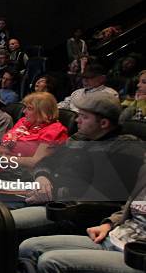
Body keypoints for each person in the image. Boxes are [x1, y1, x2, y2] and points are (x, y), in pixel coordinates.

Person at [11, 93, 144, 233]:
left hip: (70, 212)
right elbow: (47, 162)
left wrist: (52, 193)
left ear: (104, 123)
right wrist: (42, 177)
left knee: (0, 221)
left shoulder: (126, 148)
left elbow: (100, 196)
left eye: (84, 117)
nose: (77, 121)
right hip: (46, 195)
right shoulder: (78, 138)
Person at [19, 163, 146, 273]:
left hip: (136, 259)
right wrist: (108, 224)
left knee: (49, 262)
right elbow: (127, 208)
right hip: (113, 238)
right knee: (28, 247)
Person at [0, 92, 68, 169]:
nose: (24, 111)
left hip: (26, 175)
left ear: (43, 111)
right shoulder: (23, 121)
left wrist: (4, 159)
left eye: (29, 108)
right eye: (25, 107)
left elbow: (36, 162)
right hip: (3, 166)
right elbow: (4, 145)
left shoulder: (55, 131)